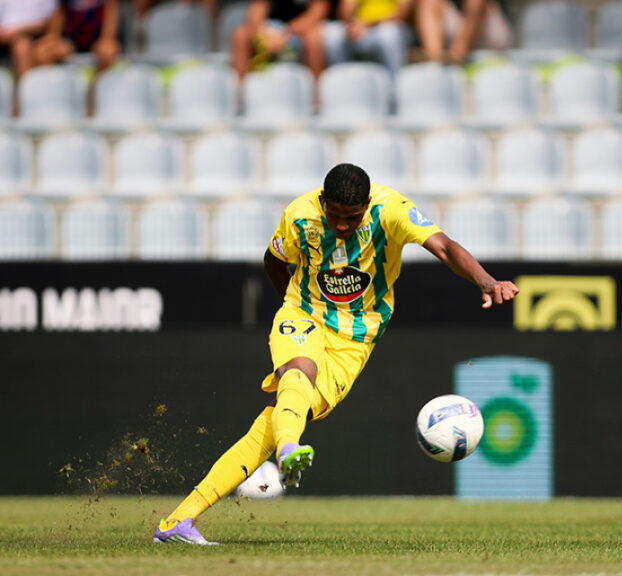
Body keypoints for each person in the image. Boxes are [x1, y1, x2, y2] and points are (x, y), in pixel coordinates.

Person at [153, 163, 519, 545]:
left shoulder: (390, 209)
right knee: (299, 370)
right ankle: (290, 448)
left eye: (352, 218)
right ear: (322, 200)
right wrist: (294, 309)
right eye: (335, 216)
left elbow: (442, 245)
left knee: (274, 422)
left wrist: (487, 281)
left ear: (366, 205)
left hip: (355, 340)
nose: (342, 226)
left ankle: (178, 521)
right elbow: (273, 260)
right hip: (303, 314)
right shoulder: (300, 215)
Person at [231, 0, 331, 80]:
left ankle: (317, 98)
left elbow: (318, 11)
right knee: (240, 35)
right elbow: (256, 11)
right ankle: (240, 97)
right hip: (271, 28)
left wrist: (286, 33)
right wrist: (266, 35)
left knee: (313, 39)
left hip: (301, 29)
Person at [324, 0, 413, 77]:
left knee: (389, 33)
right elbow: (344, 13)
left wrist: (367, 24)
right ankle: (341, 83)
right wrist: (353, 24)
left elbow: (401, 15)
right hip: (361, 30)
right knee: (332, 34)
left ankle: (395, 86)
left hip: (389, 28)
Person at [33, 0, 121, 75]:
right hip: (71, 44)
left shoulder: (109, 4)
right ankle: (56, 91)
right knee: (43, 52)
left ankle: (95, 92)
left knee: (108, 51)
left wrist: (106, 41)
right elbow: (54, 34)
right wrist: (55, 43)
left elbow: (108, 36)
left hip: (97, 42)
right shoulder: (62, 4)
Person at [414, 0, 511, 65]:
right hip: (449, 46)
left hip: (492, 39)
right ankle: (435, 62)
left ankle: (455, 57)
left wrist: (457, 54)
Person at [0, 0, 57, 80]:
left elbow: (46, 22)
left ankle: (26, 90)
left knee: (23, 45)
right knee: (23, 45)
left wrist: (14, 31)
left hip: (36, 37)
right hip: (6, 37)